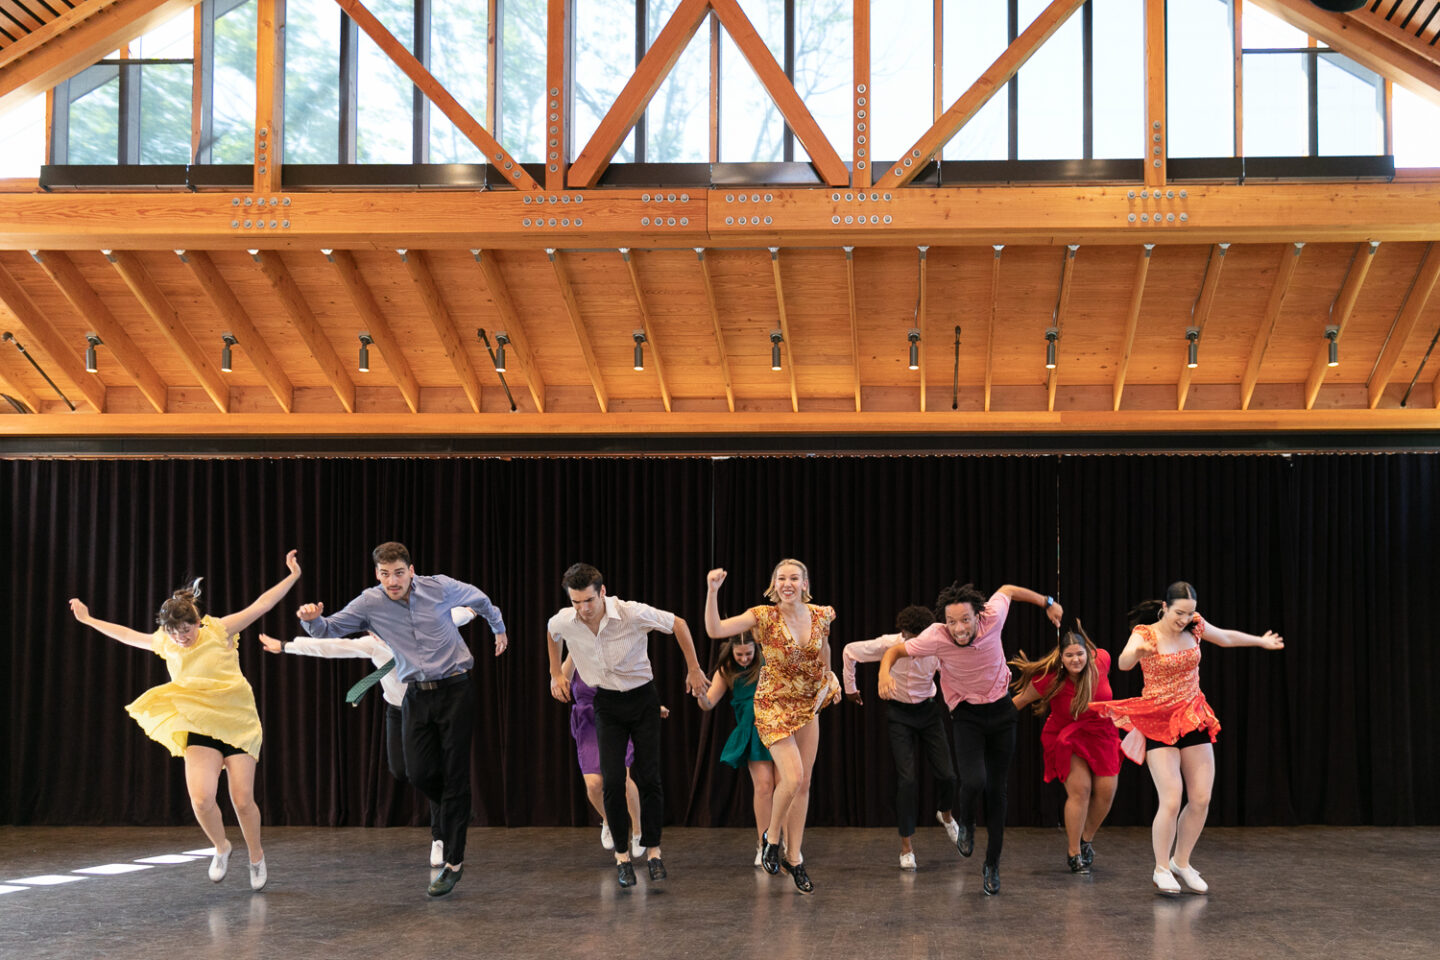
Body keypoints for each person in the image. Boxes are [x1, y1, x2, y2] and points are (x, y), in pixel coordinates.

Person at [68, 549, 303, 893]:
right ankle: (221, 847)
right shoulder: (166, 642)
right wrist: (89, 620)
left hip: (237, 722)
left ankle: (256, 856)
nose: (181, 636)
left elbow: (262, 605)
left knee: (241, 799)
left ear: (197, 621)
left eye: (186, 628)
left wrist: (293, 576)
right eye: (174, 630)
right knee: (202, 799)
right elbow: (126, 634)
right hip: (200, 724)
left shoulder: (219, 631)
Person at [296, 541, 508, 898]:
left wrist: (498, 628)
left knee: (454, 775)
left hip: (456, 689)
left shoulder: (438, 587)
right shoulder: (370, 602)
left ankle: (453, 863)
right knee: (415, 771)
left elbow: (480, 600)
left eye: (398, 573)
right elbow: (329, 630)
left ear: (411, 571)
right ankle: (456, 804)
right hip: (415, 694)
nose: (392, 581)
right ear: (376, 575)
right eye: (384, 574)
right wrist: (312, 620)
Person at [1092, 581, 1284, 895]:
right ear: (1165, 607)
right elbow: (1125, 661)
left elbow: (1224, 637)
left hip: (1193, 716)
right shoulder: (1146, 634)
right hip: (1158, 722)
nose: (1185, 619)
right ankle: (1161, 868)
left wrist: (1260, 641)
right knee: (1171, 798)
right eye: (1179, 613)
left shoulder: (1195, 626)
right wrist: (1137, 652)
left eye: (1190, 613)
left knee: (1201, 798)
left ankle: (1181, 862)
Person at [257, 605, 476, 868]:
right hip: (397, 711)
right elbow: (332, 648)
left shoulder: (423, 631)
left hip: (428, 710)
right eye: (374, 629)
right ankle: (453, 805)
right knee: (400, 769)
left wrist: (474, 609)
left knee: (429, 772)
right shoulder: (372, 645)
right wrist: (286, 646)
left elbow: (455, 616)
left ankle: (439, 837)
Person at [878, 581, 1062, 896]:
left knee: (997, 792)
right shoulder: (936, 636)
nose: (959, 629)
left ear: (978, 616)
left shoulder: (994, 616)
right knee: (974, 780)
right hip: (967, 716)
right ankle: (967, 825)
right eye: (952, 622)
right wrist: (884, 673)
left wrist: (1046, 602)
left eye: (965, 620)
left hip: (1002, 713)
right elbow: (895, 651)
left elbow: (1008, 590)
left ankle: (991, 865)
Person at [546, 563, 708, 889]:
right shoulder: (566, 619)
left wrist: (693, 668)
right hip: (606, 704)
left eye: (588, 601)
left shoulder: (631, 613)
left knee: (648, 777)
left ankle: (653, 852)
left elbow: (678, 623)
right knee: (612, 781)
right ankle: (622, 857)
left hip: (643, 700)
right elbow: (552, 634)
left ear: (602, 592)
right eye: (576, 602)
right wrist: (556, 673)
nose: (583, 609)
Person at [705, 560, 839, 895]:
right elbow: (715, 629)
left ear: (805, 583)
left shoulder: (822, 615)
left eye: (794, 578)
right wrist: (712, 592)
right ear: (773, 583)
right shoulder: (763, 616)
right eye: (781, 578)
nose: (787, 583)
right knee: (790, 778)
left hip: (807, 703)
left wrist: (831, 677)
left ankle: (795, 857)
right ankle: (771, 839)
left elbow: (824, 649)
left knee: (803, 784)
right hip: (773, 705)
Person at [843, 605, 962, 871]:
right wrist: (850, 688)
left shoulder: (937, 646)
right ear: (903, 632)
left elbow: (952, 673)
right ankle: (906, 848)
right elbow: (850, 651)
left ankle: (946, 815)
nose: (913, 644)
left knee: (949, 776)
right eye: (909, 637)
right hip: (899, 714)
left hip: (929, 712)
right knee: (907, 780)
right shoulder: (889, 644)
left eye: (919, 639)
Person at [1010, 619, 1121, 875]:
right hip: (1067, 735)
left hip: (1102, 734)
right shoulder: (1052, 680)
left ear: (1088, 654)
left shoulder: (1102, 661)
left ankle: (1086, 839)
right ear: (1061, 658)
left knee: (1106, 792)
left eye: (1079, 654)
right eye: (1069, 656)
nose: (1075, 660)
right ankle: (1074, 852)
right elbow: (1019, 700)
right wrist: (986, 722)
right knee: (1081, 790)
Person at [695, 633, 776, 867]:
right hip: (751, 731)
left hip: (777, 727)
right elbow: (708, 704)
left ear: (756, 649)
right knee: (763, 787)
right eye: (739, 654)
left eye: (748, 654)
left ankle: (787, 843)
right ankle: (763, 845)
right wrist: (700, 693)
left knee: (785, 787)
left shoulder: (768, 660)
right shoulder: (727, 670)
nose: (744, 658)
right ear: (731, 651)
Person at [560, 654, 646, 859]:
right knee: (593, 784)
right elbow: (562, 681)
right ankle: (609, 821)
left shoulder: (616, 646)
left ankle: (637, 831)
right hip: (587, 721)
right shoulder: (577, 648)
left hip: (616, 716)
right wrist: (573, 648)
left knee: (620, 780)